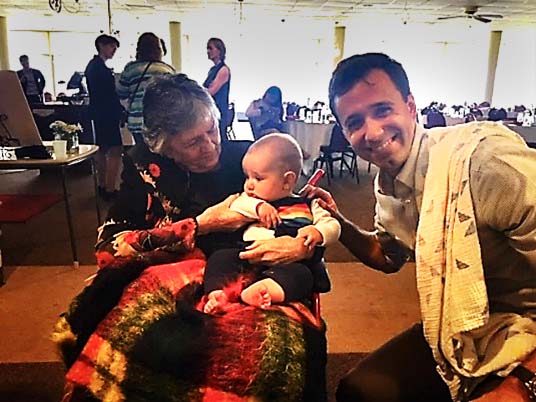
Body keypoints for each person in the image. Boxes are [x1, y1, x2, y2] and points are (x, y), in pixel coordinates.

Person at [54, 74, 327, 402]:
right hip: (170, 273)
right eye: (193, 142)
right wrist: (199, 225)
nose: (210, 146)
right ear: (165, 147)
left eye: (212, 129)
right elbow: (110, 246)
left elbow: (292, 201)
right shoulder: (143, 166)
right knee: (147, 341)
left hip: (250, 272)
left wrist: (307, 210)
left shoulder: (246, 159)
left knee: (275, 351)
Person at [303, 52, 536, 402]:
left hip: (527, 330)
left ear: (411, 106)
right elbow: (387, 255)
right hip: (462, 328)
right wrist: (338, 220)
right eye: (355, 122)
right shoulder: (388, 185)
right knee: (358, 391)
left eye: (382, 110)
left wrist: (523, 383)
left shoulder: (484, 165)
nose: (373, 132)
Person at [203, 133, 340, 314]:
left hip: (288, 263)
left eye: (258, 178)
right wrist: (258, 206)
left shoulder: (308, 204)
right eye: (247, 177)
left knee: (303, 276)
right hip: (247, 255)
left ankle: (265, 291)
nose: (249, 185)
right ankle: (218, 293)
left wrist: (318, 232)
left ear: (287, 181)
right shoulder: (249, 200)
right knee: (220, 258)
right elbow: (236, 204)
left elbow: (333, 225)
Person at [117, 32, 175, 144]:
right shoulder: (166, 70)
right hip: (160, 121)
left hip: (137, 121)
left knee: (142, 154)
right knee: (160, 155)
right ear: (159, 49)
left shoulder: (131, 69)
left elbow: (121, 92)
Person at [84, 34, 123, 201]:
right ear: (102, 45)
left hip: (99, 113)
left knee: (102, 148)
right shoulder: (100, 68)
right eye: (112, 47)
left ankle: (102, 185)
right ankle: (110, 188)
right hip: (107, 113)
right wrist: (120, 110)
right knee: (115, 149)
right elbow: (109, 95)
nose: (113, 51)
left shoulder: (93, 66)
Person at [203, 37, 231, 142]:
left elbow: (211, 91)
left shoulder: (223, 70)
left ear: (219, 50)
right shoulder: (212, 70)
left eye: (210, 48)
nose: (208, 51)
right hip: (212, 111)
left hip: (219, 111)